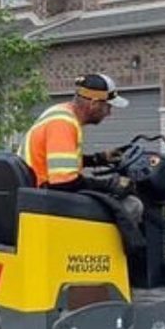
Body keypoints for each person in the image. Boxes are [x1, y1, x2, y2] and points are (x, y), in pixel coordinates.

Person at [19, 73, 143, 222]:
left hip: (39, 195)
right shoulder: (63, 124)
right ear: (94, 104)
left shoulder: (60, 112)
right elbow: (64, 183)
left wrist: (98, 159)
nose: (109, 113)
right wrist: (109, 184)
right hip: (46, 202)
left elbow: (58, 163)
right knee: (132, 206)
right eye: (108, 106)